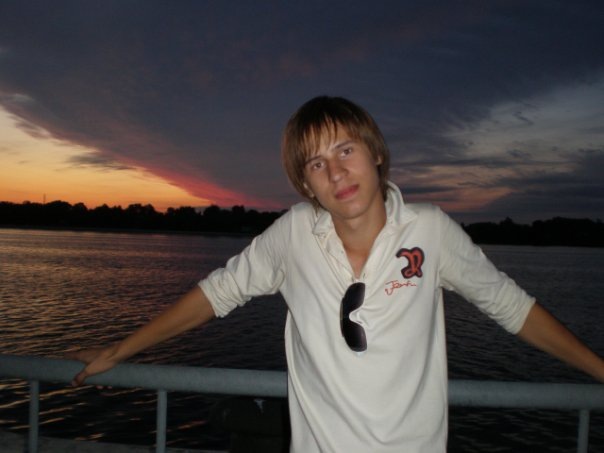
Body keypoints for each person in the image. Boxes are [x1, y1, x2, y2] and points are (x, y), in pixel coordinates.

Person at [70, 96, 604, 452]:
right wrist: (119, 350)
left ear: (375, 154)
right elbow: (216, 294)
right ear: (306, 184)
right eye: (317, 163)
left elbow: (512, 308)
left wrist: (600, 370)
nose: (337, 172)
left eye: (346, 150)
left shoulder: (430, 230)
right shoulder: (293, 234)